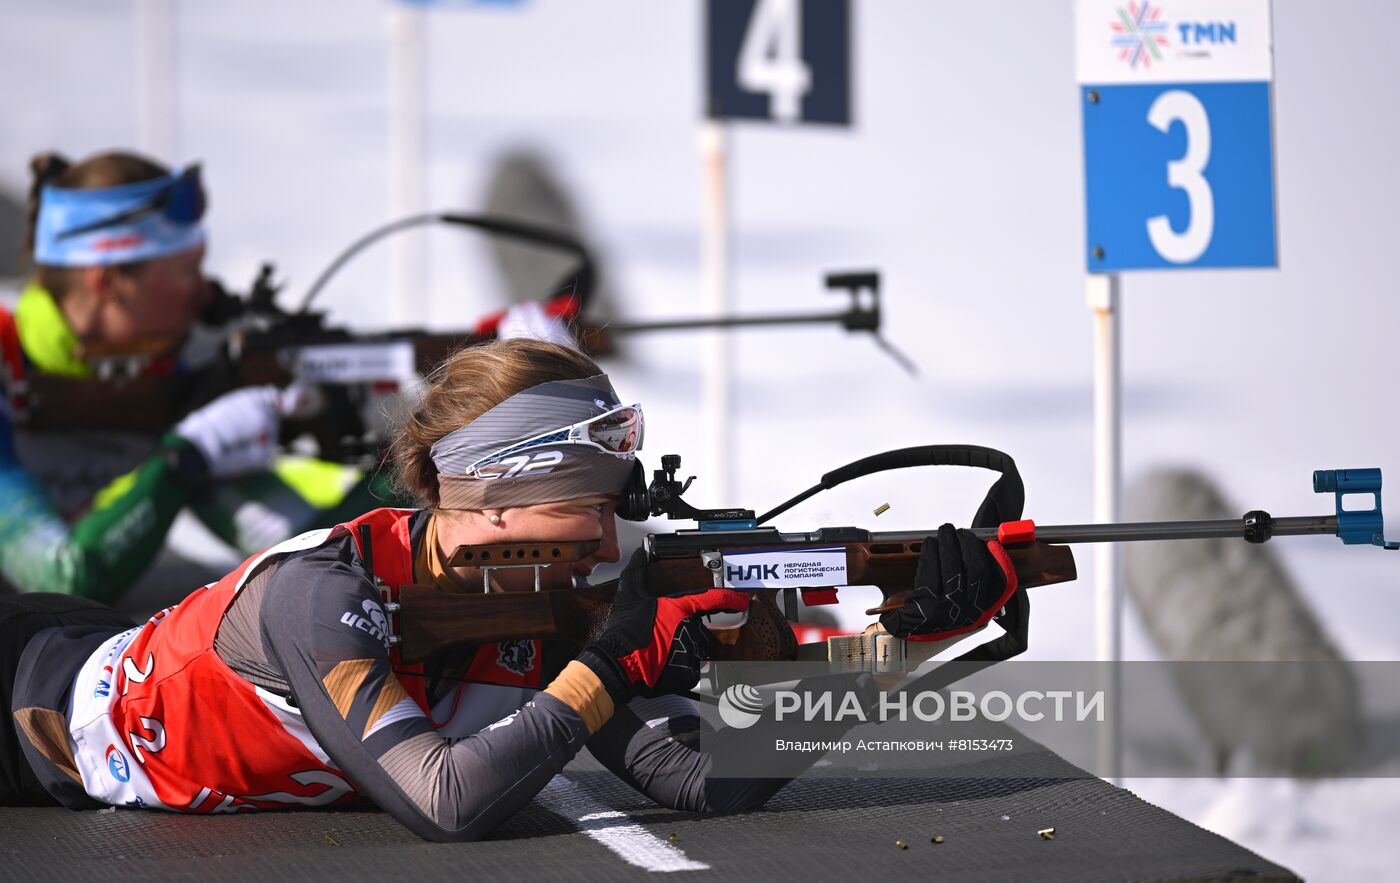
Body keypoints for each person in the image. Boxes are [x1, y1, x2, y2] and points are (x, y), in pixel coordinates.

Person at [0, 337, 1020, 839]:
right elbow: (444, 802)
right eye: (584, 502)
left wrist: (902, 641)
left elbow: (707, 780)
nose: (606, 528)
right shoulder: (320, 595)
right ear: (491, 502)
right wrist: (610, 663)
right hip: (25, 704)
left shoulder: (539, 601)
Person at [0, 150, 570, 606]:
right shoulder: (8, 364)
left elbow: (335, 550)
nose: (205, 291)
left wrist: (489, 392)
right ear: (107, 283)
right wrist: (185, 459)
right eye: (185, 272)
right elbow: (63, 577)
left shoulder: (187, 364)